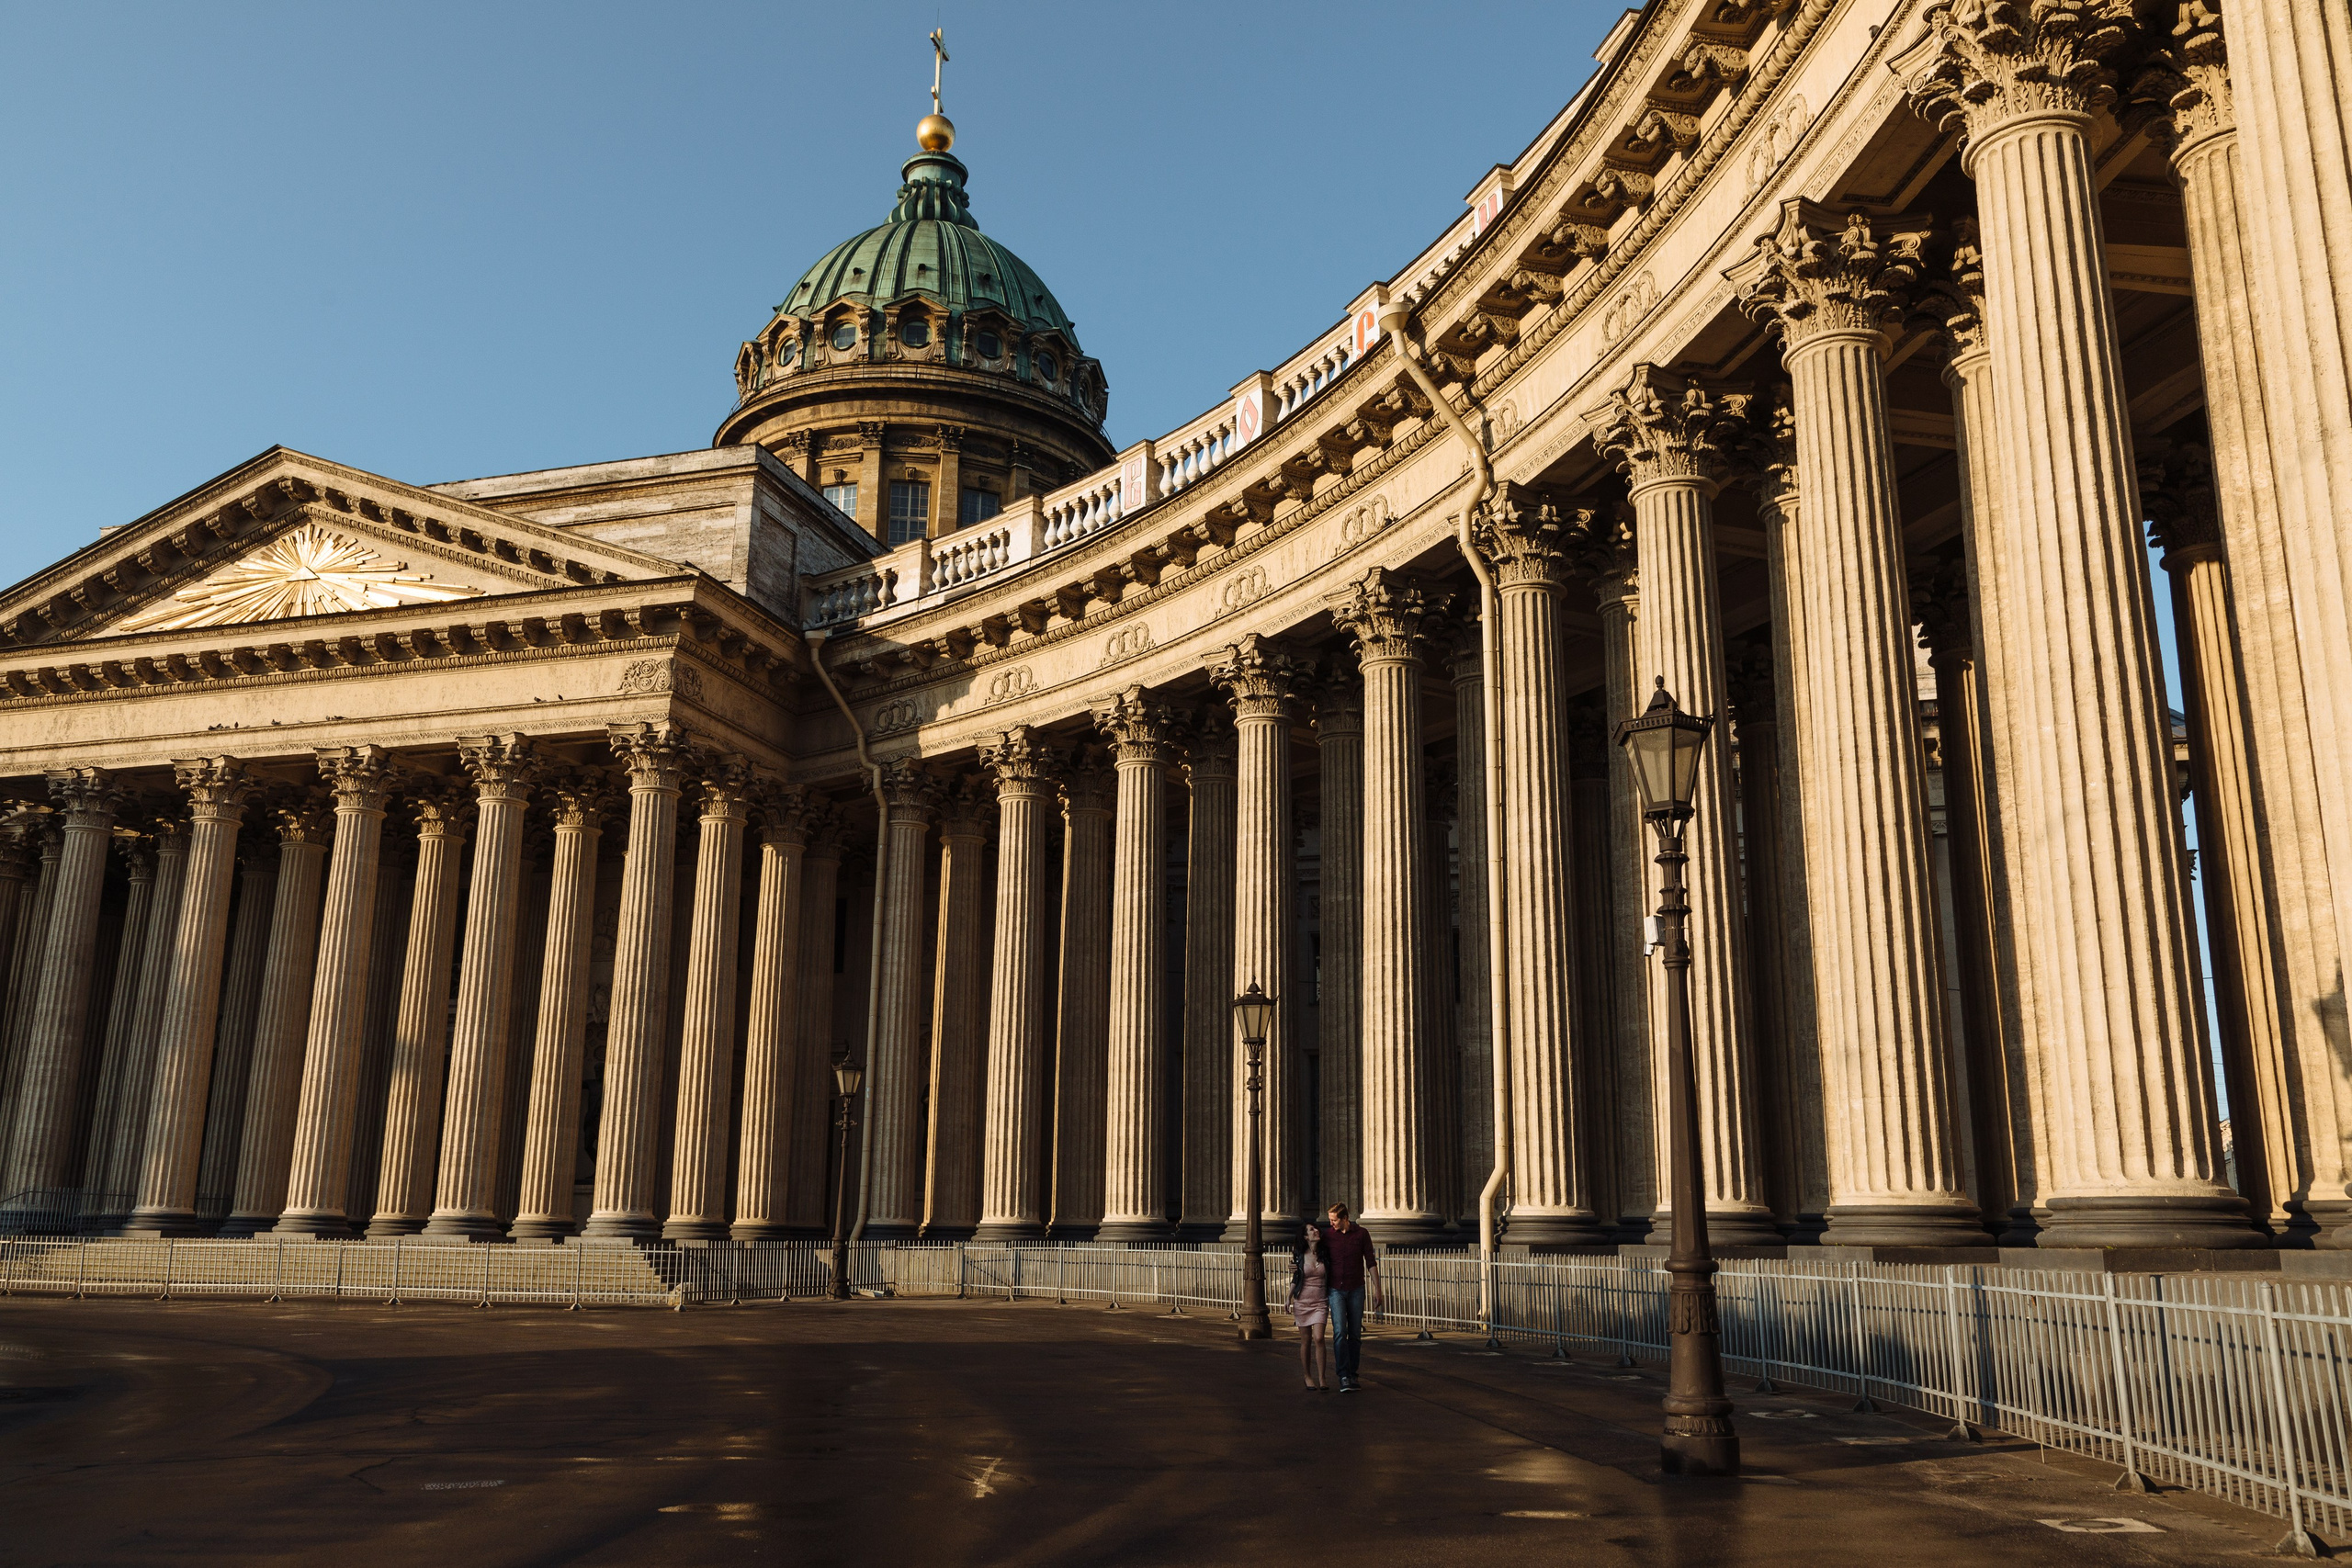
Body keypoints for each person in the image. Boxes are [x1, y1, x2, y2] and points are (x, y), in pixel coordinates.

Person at [1322, 1202, 1381, 1392]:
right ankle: (1343, 1375)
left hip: (1356, 1288)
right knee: (1340, 1332)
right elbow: (1316, 1255)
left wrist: (1377, 1289)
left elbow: (1371, 1262)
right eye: (1330, 1220)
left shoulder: (1362, 1234)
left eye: (1334, 1220)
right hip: (1335, 1289)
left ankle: (1353, 1373)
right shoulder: (1328, 1236)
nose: (1331, 1223)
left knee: (1355, 1334)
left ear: (1345, 1218)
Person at [1289, 1222, 1333, 1392]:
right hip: (1302, 1301)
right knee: (1306, 1340)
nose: (1316, 1231)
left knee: (1319, 1338)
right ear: (1306, 1237)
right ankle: (1307, 1376)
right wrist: (1288, 1298)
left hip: (1320, 1301)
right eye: (1311, 1230)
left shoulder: (1325, 1254)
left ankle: (1322, 1377)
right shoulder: (1299, 1255)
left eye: (1315, 1228)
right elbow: (1296, 1278)